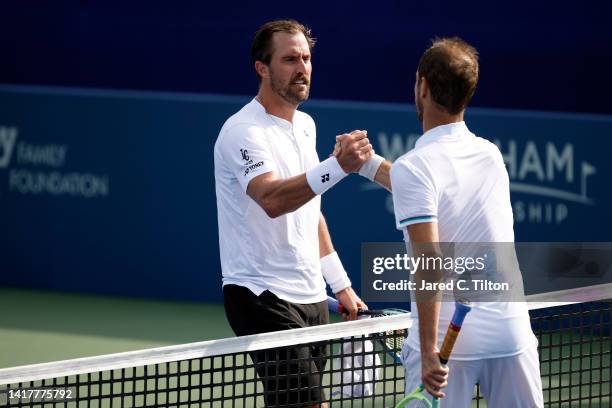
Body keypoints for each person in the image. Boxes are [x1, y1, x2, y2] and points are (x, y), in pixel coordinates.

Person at [336, 37, 544, 407]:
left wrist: (430, 350)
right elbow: (425, 186)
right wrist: (367, 165)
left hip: (449, 349)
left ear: (422, 87)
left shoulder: (417, 167)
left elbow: (429, 262)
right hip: (510, 336)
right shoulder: (490, 155)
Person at [213, 19, 371, 407]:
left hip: (312, 296)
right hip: (259, 294)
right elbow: (271, 199)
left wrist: (342, 285)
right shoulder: (242, 131)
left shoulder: (306, 125)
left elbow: (309, 208)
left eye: (306, 58)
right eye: (289, 60)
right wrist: (338, 166)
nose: (302, 68)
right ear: (262, 68)